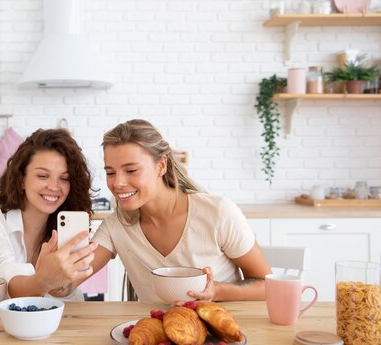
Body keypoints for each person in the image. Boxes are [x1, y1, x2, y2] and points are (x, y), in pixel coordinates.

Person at [79, 119, 270, 303]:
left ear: (161, 165)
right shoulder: (116, 226)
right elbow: (66, 284)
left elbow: (267, 286)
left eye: (131, 171)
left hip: (220, 332)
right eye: (110, 173)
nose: (118, 183)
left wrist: (217, 290)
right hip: (157, 333)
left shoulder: (217, 213)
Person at [0, 128, 98, 300]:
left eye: (64, 178)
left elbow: (67, 296)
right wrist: (43, 280)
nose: (53, 187)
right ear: (21, 180)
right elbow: (7, 285)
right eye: (43, 176)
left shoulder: (64, 229)